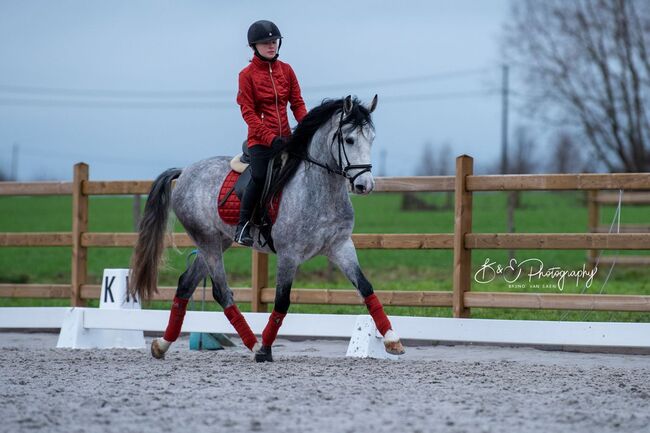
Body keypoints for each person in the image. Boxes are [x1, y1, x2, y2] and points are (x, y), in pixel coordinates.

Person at [235, 20, 307, 246]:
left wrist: (307, 128)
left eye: (274, 41)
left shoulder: (286, 70)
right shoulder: (246, 76)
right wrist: (269, 138)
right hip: (260, 141)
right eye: (266, 43)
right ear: (254, 46)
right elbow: (248, 113)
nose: (271, 46)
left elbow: (297, 103)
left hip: (286, 137)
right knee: (259, 176)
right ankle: (243, 225)